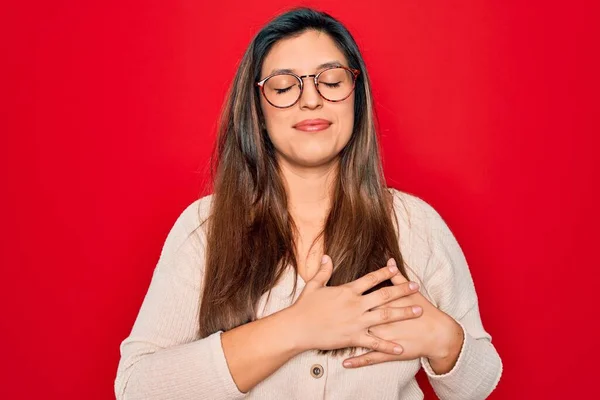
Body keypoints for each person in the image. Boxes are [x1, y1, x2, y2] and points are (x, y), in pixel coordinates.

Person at [114, 7, 502, 400]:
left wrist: (444, 340)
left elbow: (477, 384)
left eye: (331, 81)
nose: (311, 100)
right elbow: (136, 387)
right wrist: (296, 327)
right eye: (284, 88)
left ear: (356, 98)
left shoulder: (415, 224)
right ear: (259, 112)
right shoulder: (206, 227)